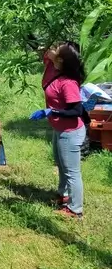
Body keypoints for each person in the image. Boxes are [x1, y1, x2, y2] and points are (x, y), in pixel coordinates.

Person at [30, 41, 86, 219]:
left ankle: (75, 209)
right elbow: (40, 48)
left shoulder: (68, 82)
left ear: (60, 59)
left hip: (70, 132)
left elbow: (76, 110)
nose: (51, 49)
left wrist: (52, 111)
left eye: (55, 49)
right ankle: (64, 196)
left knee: (71, 171)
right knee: (61, 165)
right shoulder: (54, 68)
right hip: (60, 129)